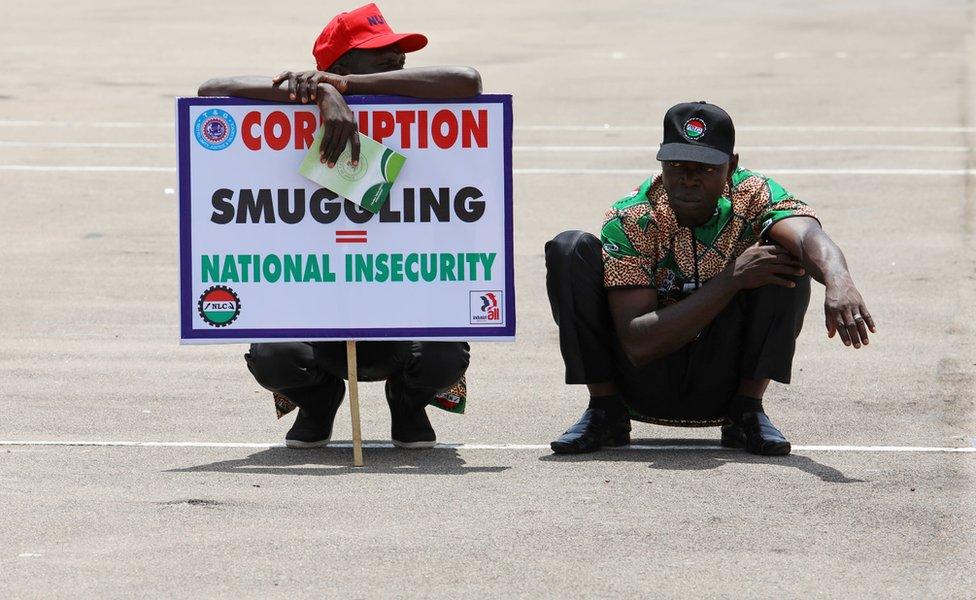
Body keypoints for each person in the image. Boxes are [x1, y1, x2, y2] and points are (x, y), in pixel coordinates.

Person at [198, 3, 481, 449]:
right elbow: (213, 90)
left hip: (404, 298)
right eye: (380, 51)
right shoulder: (299, 105)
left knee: (443, 356)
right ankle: (318, 401)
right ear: (332, 63)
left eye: (398, 51)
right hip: (318, 304)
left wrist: (346, 86)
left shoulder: (417, 99)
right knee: (275, 356)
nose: (398, 59)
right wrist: (317, 95)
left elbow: (468, 80)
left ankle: (408, 403)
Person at [545, 101, 877, 456]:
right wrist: (732, 279)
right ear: (661, 163)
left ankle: (747, 413)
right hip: (643, 380)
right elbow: (638, 343)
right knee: (570, 248)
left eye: (704, 167)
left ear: (731, 165)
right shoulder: (633, 216)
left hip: (725, 378)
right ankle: (604, 411)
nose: (688, 177)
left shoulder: (754, 194)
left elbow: (807, 234)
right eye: (676, 165)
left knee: (783, 258)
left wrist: (839, 279)